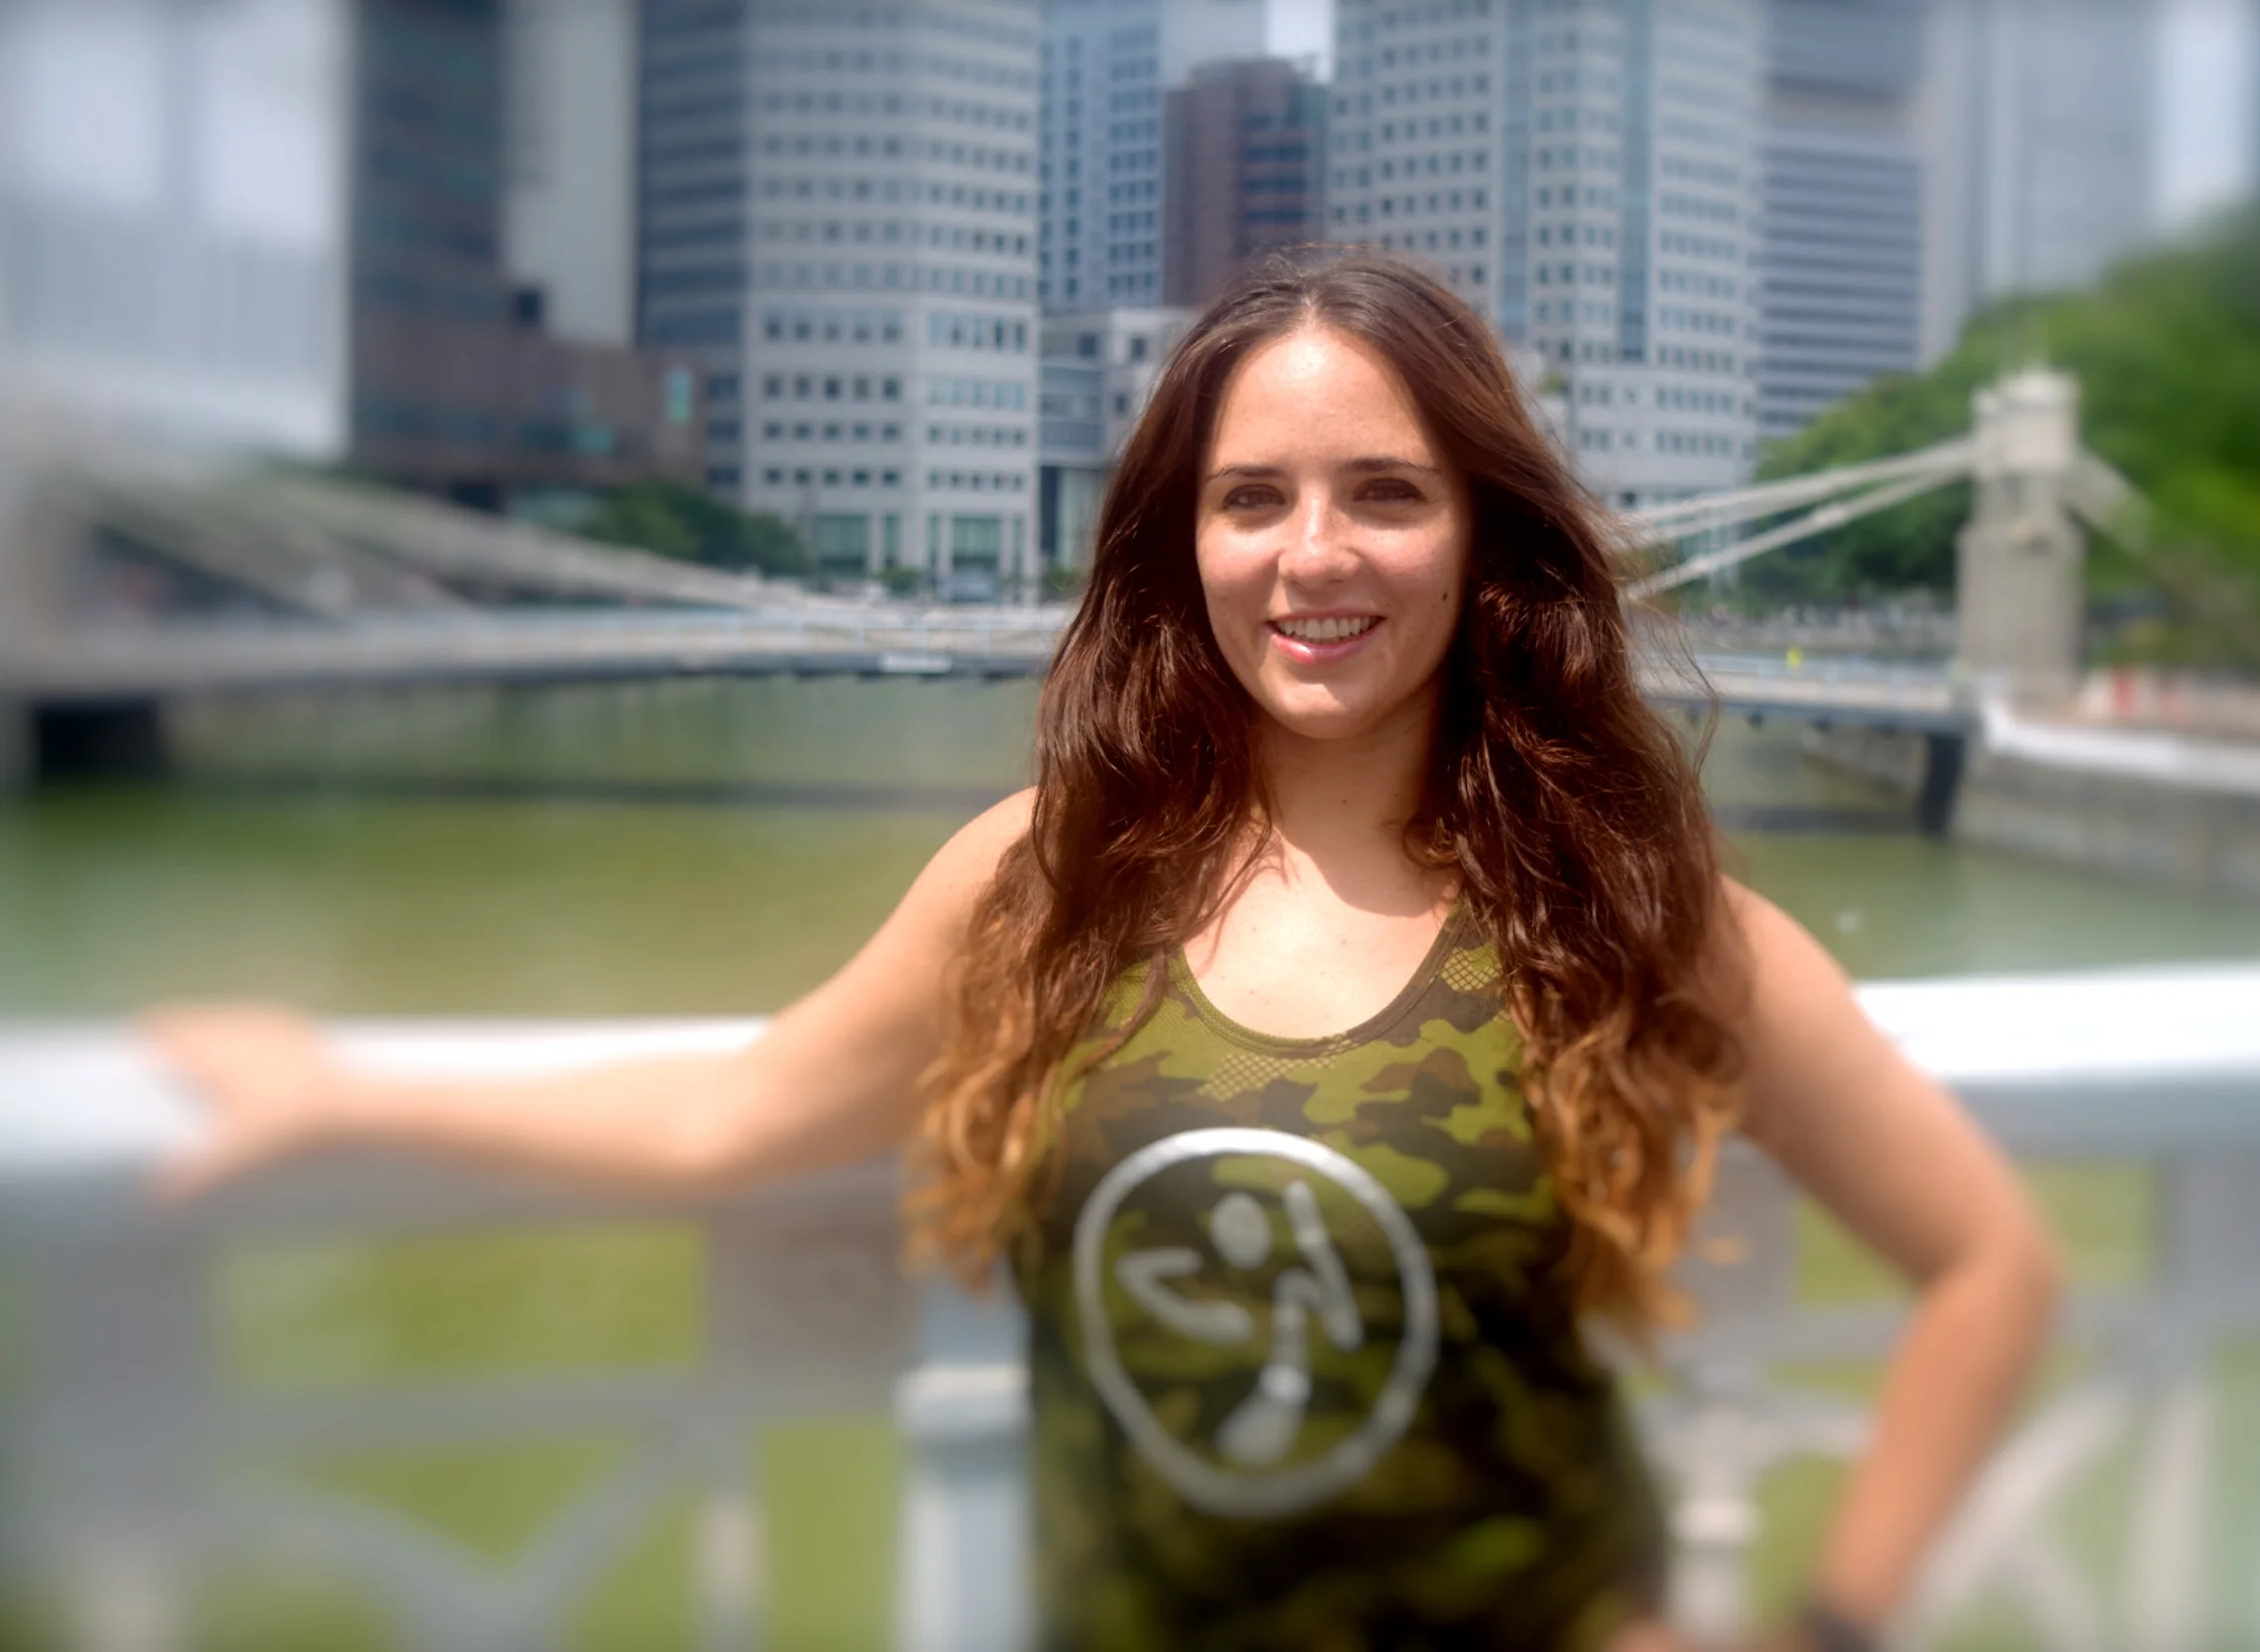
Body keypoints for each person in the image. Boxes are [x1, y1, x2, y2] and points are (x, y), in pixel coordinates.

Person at [151, 253, 2059, 1651]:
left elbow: (1990, 1259)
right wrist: (347, 1094)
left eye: (1388, 492)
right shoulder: (1047, 884)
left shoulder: (1618, 903)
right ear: (1179, 543)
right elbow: (735, 1115)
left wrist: (1825, 1627)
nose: (1314, 554)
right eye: (1253, 498)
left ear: (1484, 537)